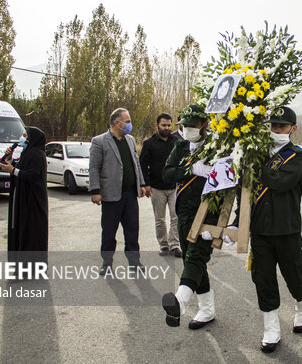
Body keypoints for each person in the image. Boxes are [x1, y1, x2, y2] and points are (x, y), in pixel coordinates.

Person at [250, 106, 302, 353]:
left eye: (282, 126)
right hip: (260, 230)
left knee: (295, 276)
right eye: (273, 126)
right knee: (263, 280)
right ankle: (271, 329)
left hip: (286, 229)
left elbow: (281, 181)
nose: (276, 130)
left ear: (292, 129)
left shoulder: (299, 156)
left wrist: (251, 165)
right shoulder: (257, 153)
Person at [161, 104, 226, 330]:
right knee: (192, 258)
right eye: (184, 125)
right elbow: (167, 173)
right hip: (184, 212)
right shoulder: (180, 147)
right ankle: (207, 309)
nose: (187, 129)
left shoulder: (216, 147)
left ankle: (180, 301)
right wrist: (190, 169)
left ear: (204, 125)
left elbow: (229, 176)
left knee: (196, 257)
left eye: (192, 125)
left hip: (208, 211)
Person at [89, 108, 147, 275]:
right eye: (127, 122)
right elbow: (94, 167)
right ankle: (107, 263)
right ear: (117, 123)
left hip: (130, 195)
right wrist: (95, 190)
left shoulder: (130, 140)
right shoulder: (99, 141)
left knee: (132, 231)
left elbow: (135, 164)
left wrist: (141, 184)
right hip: (111, 196)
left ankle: (134, 264)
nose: (130, 125)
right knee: (108, 232)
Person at [0, 127, 49, 265]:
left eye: (25, 135)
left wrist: (13, 170)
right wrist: (9, 160)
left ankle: (30, 267)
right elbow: (22, 170)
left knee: (31, 233)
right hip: (23, 199)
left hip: (32, 203)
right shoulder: (27, 153)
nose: (22, 138)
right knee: (21, 231)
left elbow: (33, 176)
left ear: (32, 139)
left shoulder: (37, 154)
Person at [139, 113, 181, 257]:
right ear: (157, 125)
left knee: (176, 217)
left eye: (169, 125)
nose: (167, 128)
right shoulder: (149, 143)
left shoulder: (176, 142)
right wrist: (146, 184)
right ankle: (164, 245)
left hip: (174, 187)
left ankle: (175, 245)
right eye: (164, 125)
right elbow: (143, 165)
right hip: (156, 187)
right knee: (160, 219)